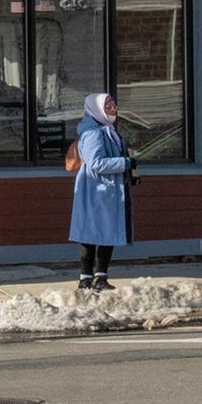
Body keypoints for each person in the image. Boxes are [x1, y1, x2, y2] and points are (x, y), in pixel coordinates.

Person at [69, 91, 135, 292]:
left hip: (107, 190)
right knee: (92, 234)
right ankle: (87, 277)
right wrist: (125, 163)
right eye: (108, 106)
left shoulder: (107, 129)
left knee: (106, 233)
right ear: (96, 109)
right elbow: (96, 162)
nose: (114, 109)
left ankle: (100, 276)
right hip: (96, 190)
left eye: (114, 105)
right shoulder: (93, 133)